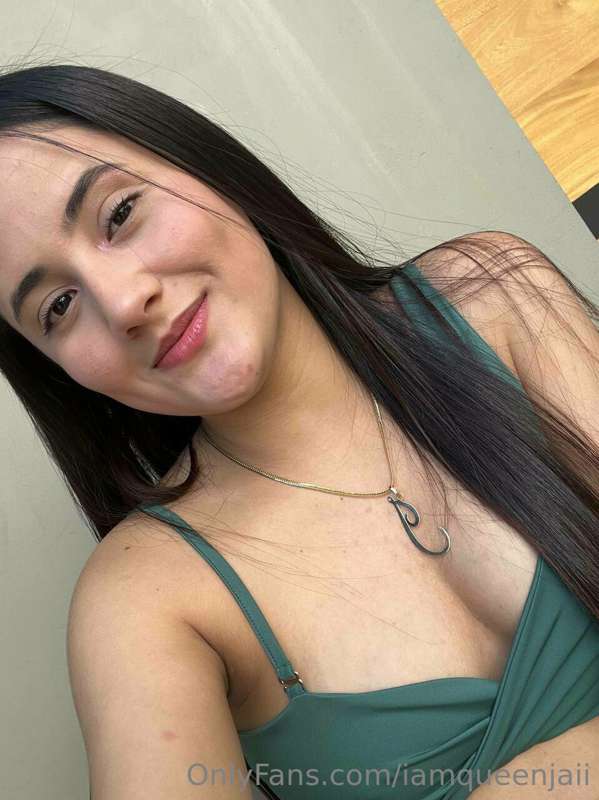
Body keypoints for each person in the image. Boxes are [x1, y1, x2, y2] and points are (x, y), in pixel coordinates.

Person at [0, 64, 598, 800]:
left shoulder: (497, 300)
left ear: (203, 164)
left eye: (119, 213)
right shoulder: (147, 598)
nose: (123, 302)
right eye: (57, 307)